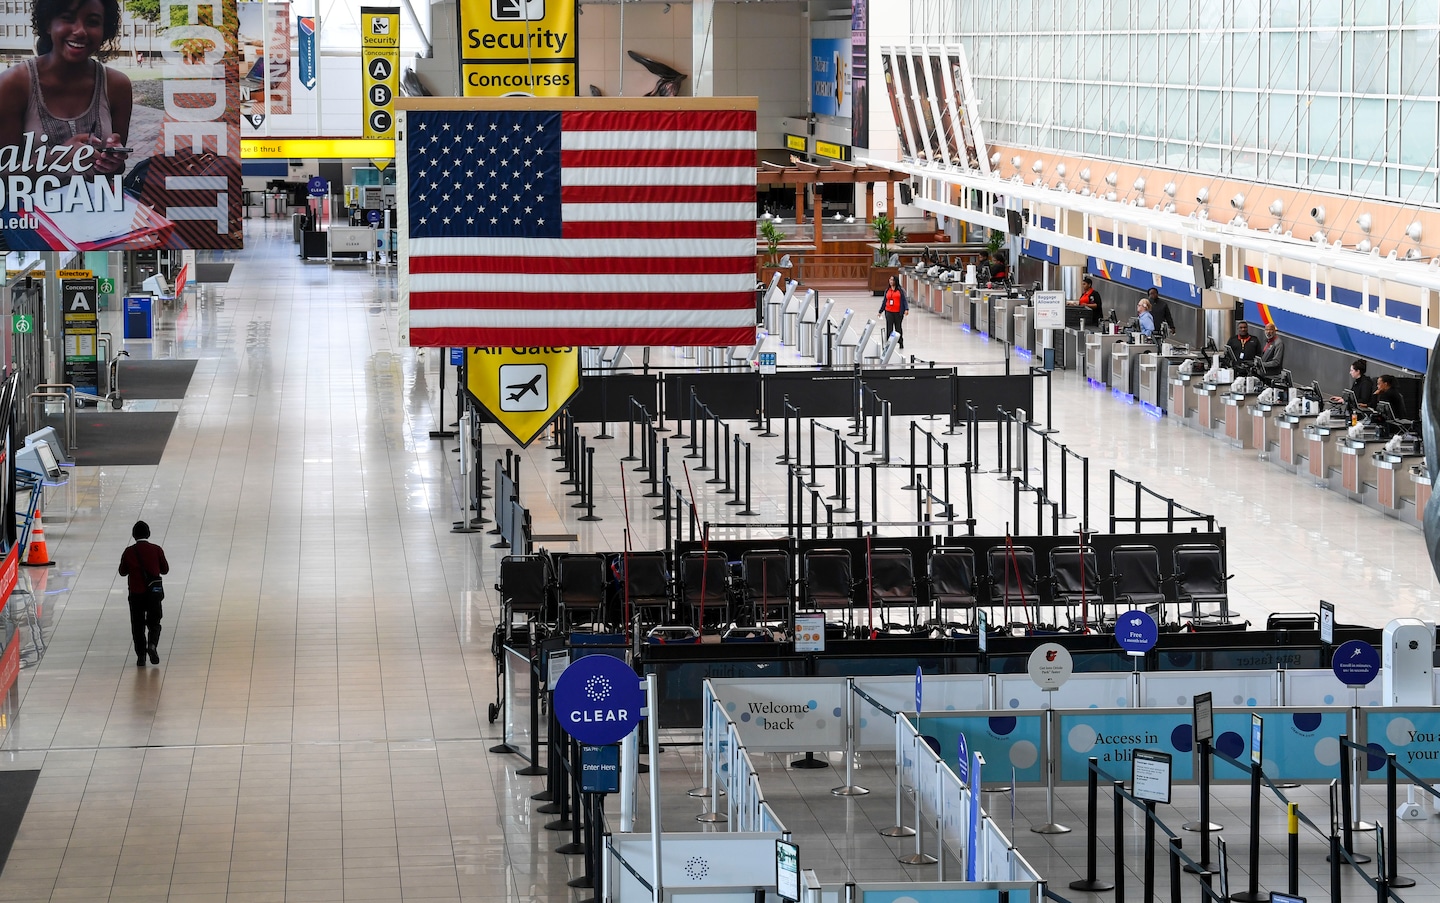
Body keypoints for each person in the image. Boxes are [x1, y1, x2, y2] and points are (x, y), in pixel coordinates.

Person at [0, 0, 133, 177]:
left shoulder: (117, 85)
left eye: (92, 22)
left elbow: (118, 170)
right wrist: (58, 157)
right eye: (68, 18)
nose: (80, 31)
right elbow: (3, 173)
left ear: (104, 29)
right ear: (48, 24)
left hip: (99, 202)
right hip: (31, 203)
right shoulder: (13, 84)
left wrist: (111, 160)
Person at [118, 520, 168, 666]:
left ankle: (141, 657)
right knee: (154, 622)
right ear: (148, 534)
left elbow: (122, 572)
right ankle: (152, 645)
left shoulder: (129, 551)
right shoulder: (156, 549)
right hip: (154, 593)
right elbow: (165, 570)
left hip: (136, 594)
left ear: (133, 535)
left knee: (137, 626)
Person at [879, 275, 908, 349]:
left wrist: (906, 309)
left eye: (892, 280)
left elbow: (904, 301)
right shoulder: (887, 290)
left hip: (898, 312)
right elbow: (884, 301)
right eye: (890, 280)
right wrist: (880, 311)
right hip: (889, 311)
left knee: (898, 328)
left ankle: (900, 342)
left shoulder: (900, 290)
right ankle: (888, 343)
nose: (891, 281)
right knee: (889, 328)